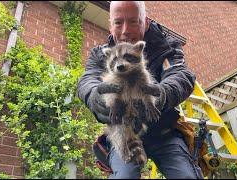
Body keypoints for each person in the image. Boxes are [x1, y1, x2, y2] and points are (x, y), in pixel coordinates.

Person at [77, 1, 203, 179]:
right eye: (118, 22)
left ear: (146, 22)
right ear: (110, 24)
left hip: (164, 132)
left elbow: (180, 76)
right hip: (124, 133)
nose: (125, 30)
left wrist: (157, 97)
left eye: (134, 21)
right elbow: (87, 81)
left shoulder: (166, 47)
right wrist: (96, 97)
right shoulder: (101, 54)